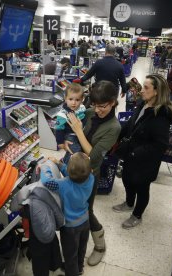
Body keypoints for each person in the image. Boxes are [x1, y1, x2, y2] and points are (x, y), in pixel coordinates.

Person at [61, 80, 121, 266]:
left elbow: (94, 157)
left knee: (87, 209)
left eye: (102, 106)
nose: (97, 110)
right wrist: (64, 141)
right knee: (72, 207)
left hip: (90, 175)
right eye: (94, 105)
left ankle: (100, 245)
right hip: (73, 167)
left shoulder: (114, 128)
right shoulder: (88, 113)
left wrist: (78, 131)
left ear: (113, 102)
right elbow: (66, 124)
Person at [113, 74, 172, 228]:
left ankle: (137, 215)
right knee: (127, 180)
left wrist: (136, 153)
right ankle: (129, 203)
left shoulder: (161, 115)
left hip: (145, 160)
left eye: (146, 88)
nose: (142, 90)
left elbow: (160, 145)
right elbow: (131, 124)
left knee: (142, 187)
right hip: (131, 154)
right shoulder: (143, 104)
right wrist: (117, 136)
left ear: (156, 91)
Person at [40, 153, 94, 276]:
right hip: (85, 221)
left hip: (70, 227)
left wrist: (44, 166)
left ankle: (72, 272)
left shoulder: (63, 184)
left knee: (70, 255)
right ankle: (79, 268)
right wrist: (59, 164)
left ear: (69, 171)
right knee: (81, 248)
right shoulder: (91, 178)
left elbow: (46, 181)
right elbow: (77, 173)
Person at [55, 83, 86, 164]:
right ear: (65, 99)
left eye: (77, 100)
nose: (74, 103)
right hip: (70, 136)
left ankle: (64, 160)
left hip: (79, 133)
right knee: (75, 152)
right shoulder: (63, 114)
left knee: (73, 151)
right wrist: (60, 142)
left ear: (82, 99)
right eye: (71, 99)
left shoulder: (81, 108)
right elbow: (58, 128)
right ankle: (69, 166)